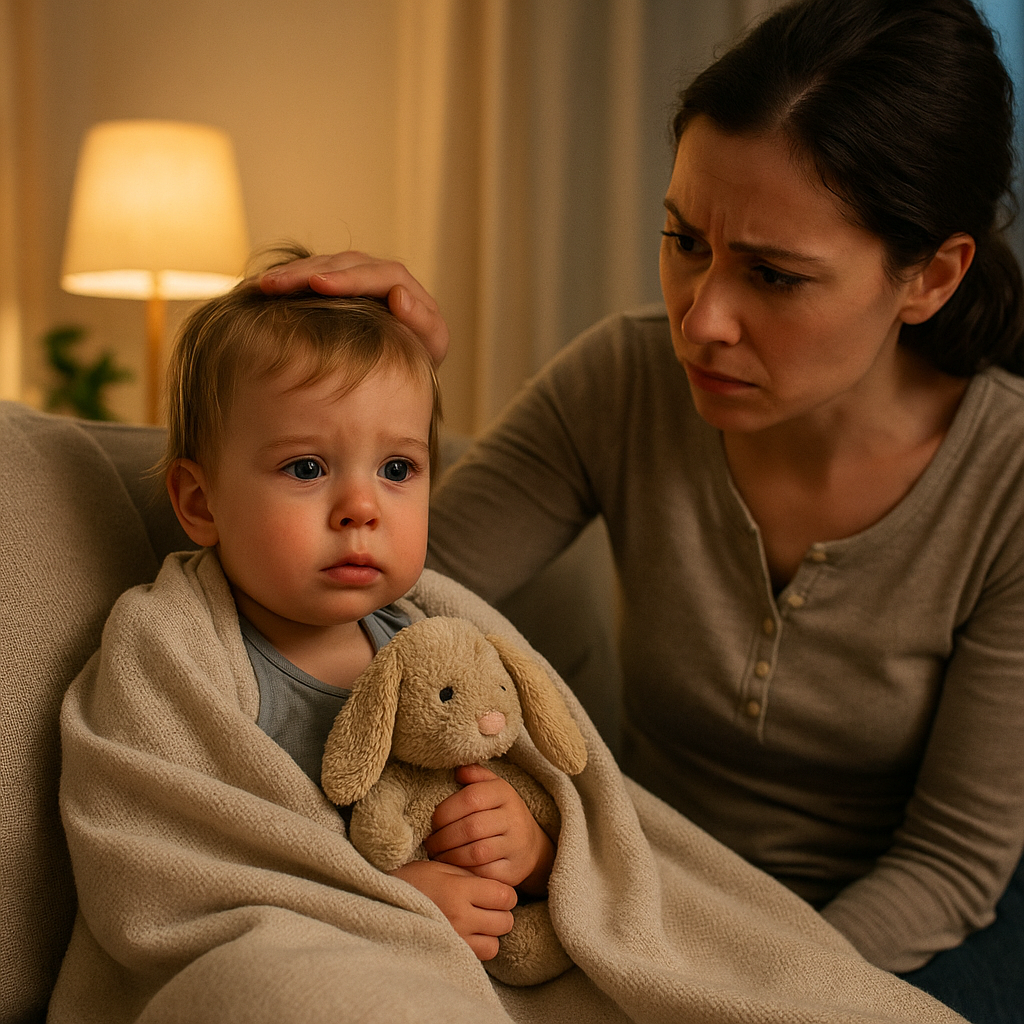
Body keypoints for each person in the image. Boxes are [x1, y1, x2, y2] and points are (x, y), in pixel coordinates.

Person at [262, 1, 1024, 1020]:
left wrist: (747, 986)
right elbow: (366, 594)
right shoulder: (621, 383)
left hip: (908, 932)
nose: (702, 320)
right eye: (684, 241)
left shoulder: (1008, 482)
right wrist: (379, 387)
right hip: (653, 890)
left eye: (773, 275)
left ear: (930, 276)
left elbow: (949, 862)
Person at [159, 267, 555, 960]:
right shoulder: (184, 658)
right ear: (200, 502)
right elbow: (172, 860)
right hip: (301, 963)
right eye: (307, 468)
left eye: (397, 470)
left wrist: (532, 849)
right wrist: (385, 902)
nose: (362, 508)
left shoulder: (434, 644)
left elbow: (570, 808)